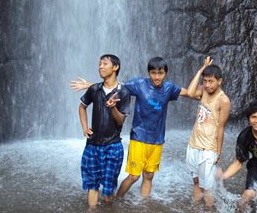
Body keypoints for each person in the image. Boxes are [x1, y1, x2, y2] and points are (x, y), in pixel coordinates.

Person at [71, 56, 192, 199]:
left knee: (149, 175)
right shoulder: (139, 84)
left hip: (157, 139)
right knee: (134, 176)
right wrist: (90, 86)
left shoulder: (169, 88)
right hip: (139, 136)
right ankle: (118, 200)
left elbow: (191, 93)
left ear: (166, 73)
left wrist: (206, 93)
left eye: (161, 73)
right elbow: (116, 86)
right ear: (149, 73)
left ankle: (143, 205)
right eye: (153, 73)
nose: (157, 76)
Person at [78, 54, 131, 208]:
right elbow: (82, 106)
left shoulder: (124, 92)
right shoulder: (94, 89)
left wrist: (112, 106)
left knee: (108, 191)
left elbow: (120, 120)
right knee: (92, 185)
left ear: (115, 67)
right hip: (92, 145)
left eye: (104, 64)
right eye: (99, 64)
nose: (100, 67)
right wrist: (84, 127)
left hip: (112, 146)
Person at [186, 56, 231, 207]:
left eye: (211, 81)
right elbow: (190, 92)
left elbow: (221, 127)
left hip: (208, 149)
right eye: (205, 81)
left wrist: (218, 152)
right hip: (193, 145)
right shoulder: (202, 91)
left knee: (208, 188)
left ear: (220, 81)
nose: (207, 85)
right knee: (196, 182)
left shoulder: (223, 100)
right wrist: (200, 70)